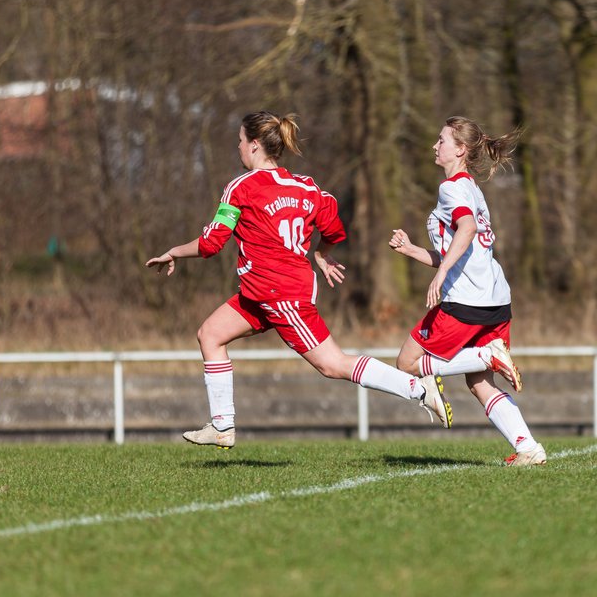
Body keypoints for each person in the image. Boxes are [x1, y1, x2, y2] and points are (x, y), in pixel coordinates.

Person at [146, 111, 451, 449]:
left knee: (334, 365)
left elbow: (210, 243)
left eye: (240, 141)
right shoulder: (306, 187)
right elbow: (333, 224)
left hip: (282, 296)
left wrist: (173, 251)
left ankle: (419, 389)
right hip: (260, 293)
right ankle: (222, 427)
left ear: (255, 145)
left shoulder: (241, 188)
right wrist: (321, 252)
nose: (238, 148)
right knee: (211, 334)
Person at [388, 116, 546, 466]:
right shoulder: (471, 188)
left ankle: (486, 355)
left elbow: (467, 228)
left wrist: (441, 274)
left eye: (441, 140)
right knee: (480, 384)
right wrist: (413, 251)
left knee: (407, 362)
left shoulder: (452, 189)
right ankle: (528, 448)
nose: (435, 145)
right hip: (496, 300)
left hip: (467, 303)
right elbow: (460, 249)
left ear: (460, 149)